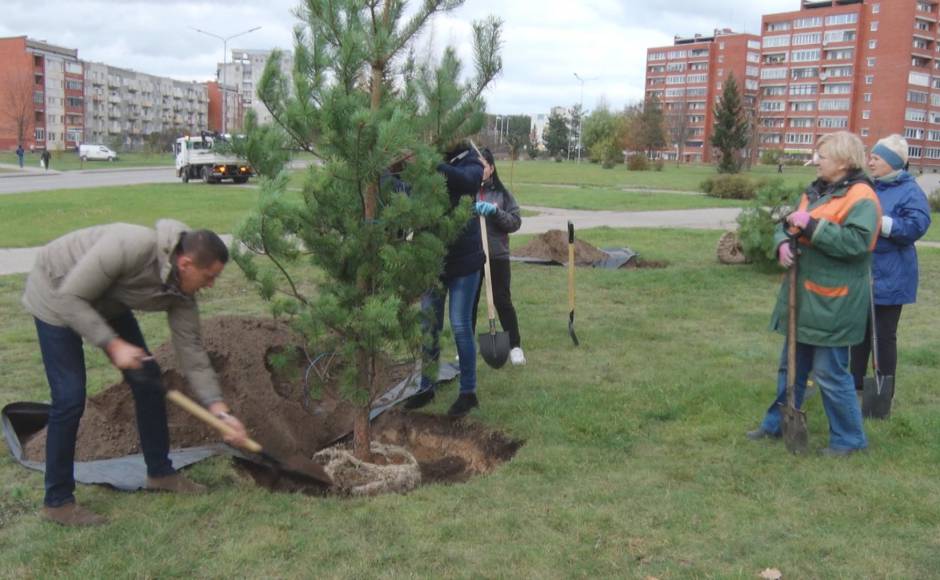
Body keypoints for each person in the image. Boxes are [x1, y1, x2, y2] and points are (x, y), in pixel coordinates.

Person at [22, 220, 248, 526]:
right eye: (209, 277)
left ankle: (160, 473)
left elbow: (193, 354)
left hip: (107, 300)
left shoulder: (182, 294)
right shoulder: (130, 245)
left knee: (149, 381)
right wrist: (113, 345)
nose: (211, 285)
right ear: (186, 263)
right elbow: (70, 299)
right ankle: (58, 502)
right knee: (70, 398)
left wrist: (220, 412)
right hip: (57, 290)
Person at [746, 131, 881, 456]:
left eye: (823, 155)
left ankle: (850, 440)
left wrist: (812, 227)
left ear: (844, 161)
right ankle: (777, 424)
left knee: (830, 373)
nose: (816, 160)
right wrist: (781, 241)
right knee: (790, 367)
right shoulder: (816, 192)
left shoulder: (862, 197)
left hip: (833, 301)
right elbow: (788, 222)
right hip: (802, 298)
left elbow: (857, 244)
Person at [405, 145, 487, 417]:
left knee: (461, 326)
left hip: (464, 263)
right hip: (432, 262)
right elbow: (404, 193)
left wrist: (428, 162)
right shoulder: (427, 161)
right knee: (429, 327)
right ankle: (426, 386)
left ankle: (468, 393)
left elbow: (465, 182)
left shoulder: (471, 160)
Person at [850, 135, 931, 397]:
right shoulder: (869, 186)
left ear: (892, 162)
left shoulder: (910, 190)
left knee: (883, 335)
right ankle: (855, 383)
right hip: (865, 272)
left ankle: (884, 391)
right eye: (870, 157)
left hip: (892, 275)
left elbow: (917, 226)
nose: (869, 162)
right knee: (859, 332)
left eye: (876, 158)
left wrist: (885, 224)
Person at [471, 148, 526, 365]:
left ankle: (515, 346)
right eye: (476, 165)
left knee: (502, 300)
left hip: (497, 255)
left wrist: (495, 212)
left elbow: (515, 222)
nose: (479, 169)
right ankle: (468, 345)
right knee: (471, 302)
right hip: (472, 256)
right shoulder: (467, 192)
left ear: (492, 168)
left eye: (483, 165)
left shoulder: (502, 195)